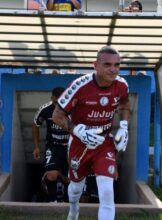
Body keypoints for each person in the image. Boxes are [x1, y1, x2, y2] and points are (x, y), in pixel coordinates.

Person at [52, 46, 130, 220]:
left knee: (107, 192)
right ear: (95, 65)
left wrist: (124, 126)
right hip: (79, 144)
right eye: (107, 64)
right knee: (76, 188)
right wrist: (77, 130)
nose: (113, 69)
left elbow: (124, 103)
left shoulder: (122, 84)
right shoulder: (79, 85)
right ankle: (73, 210)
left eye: (117, 65)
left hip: (104, 143)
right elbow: (57, 115)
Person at [32, 87, 70, 202]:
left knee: (69, 179)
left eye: (61, 101)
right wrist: (36, 147)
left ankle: (68, 202)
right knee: (51, 175)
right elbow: (35, 125)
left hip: (69, 148)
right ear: (52, 98)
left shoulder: (73, 108)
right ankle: (52, 202)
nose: (58, 104)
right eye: (55, 101)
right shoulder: (45, 109)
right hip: (53, 146)